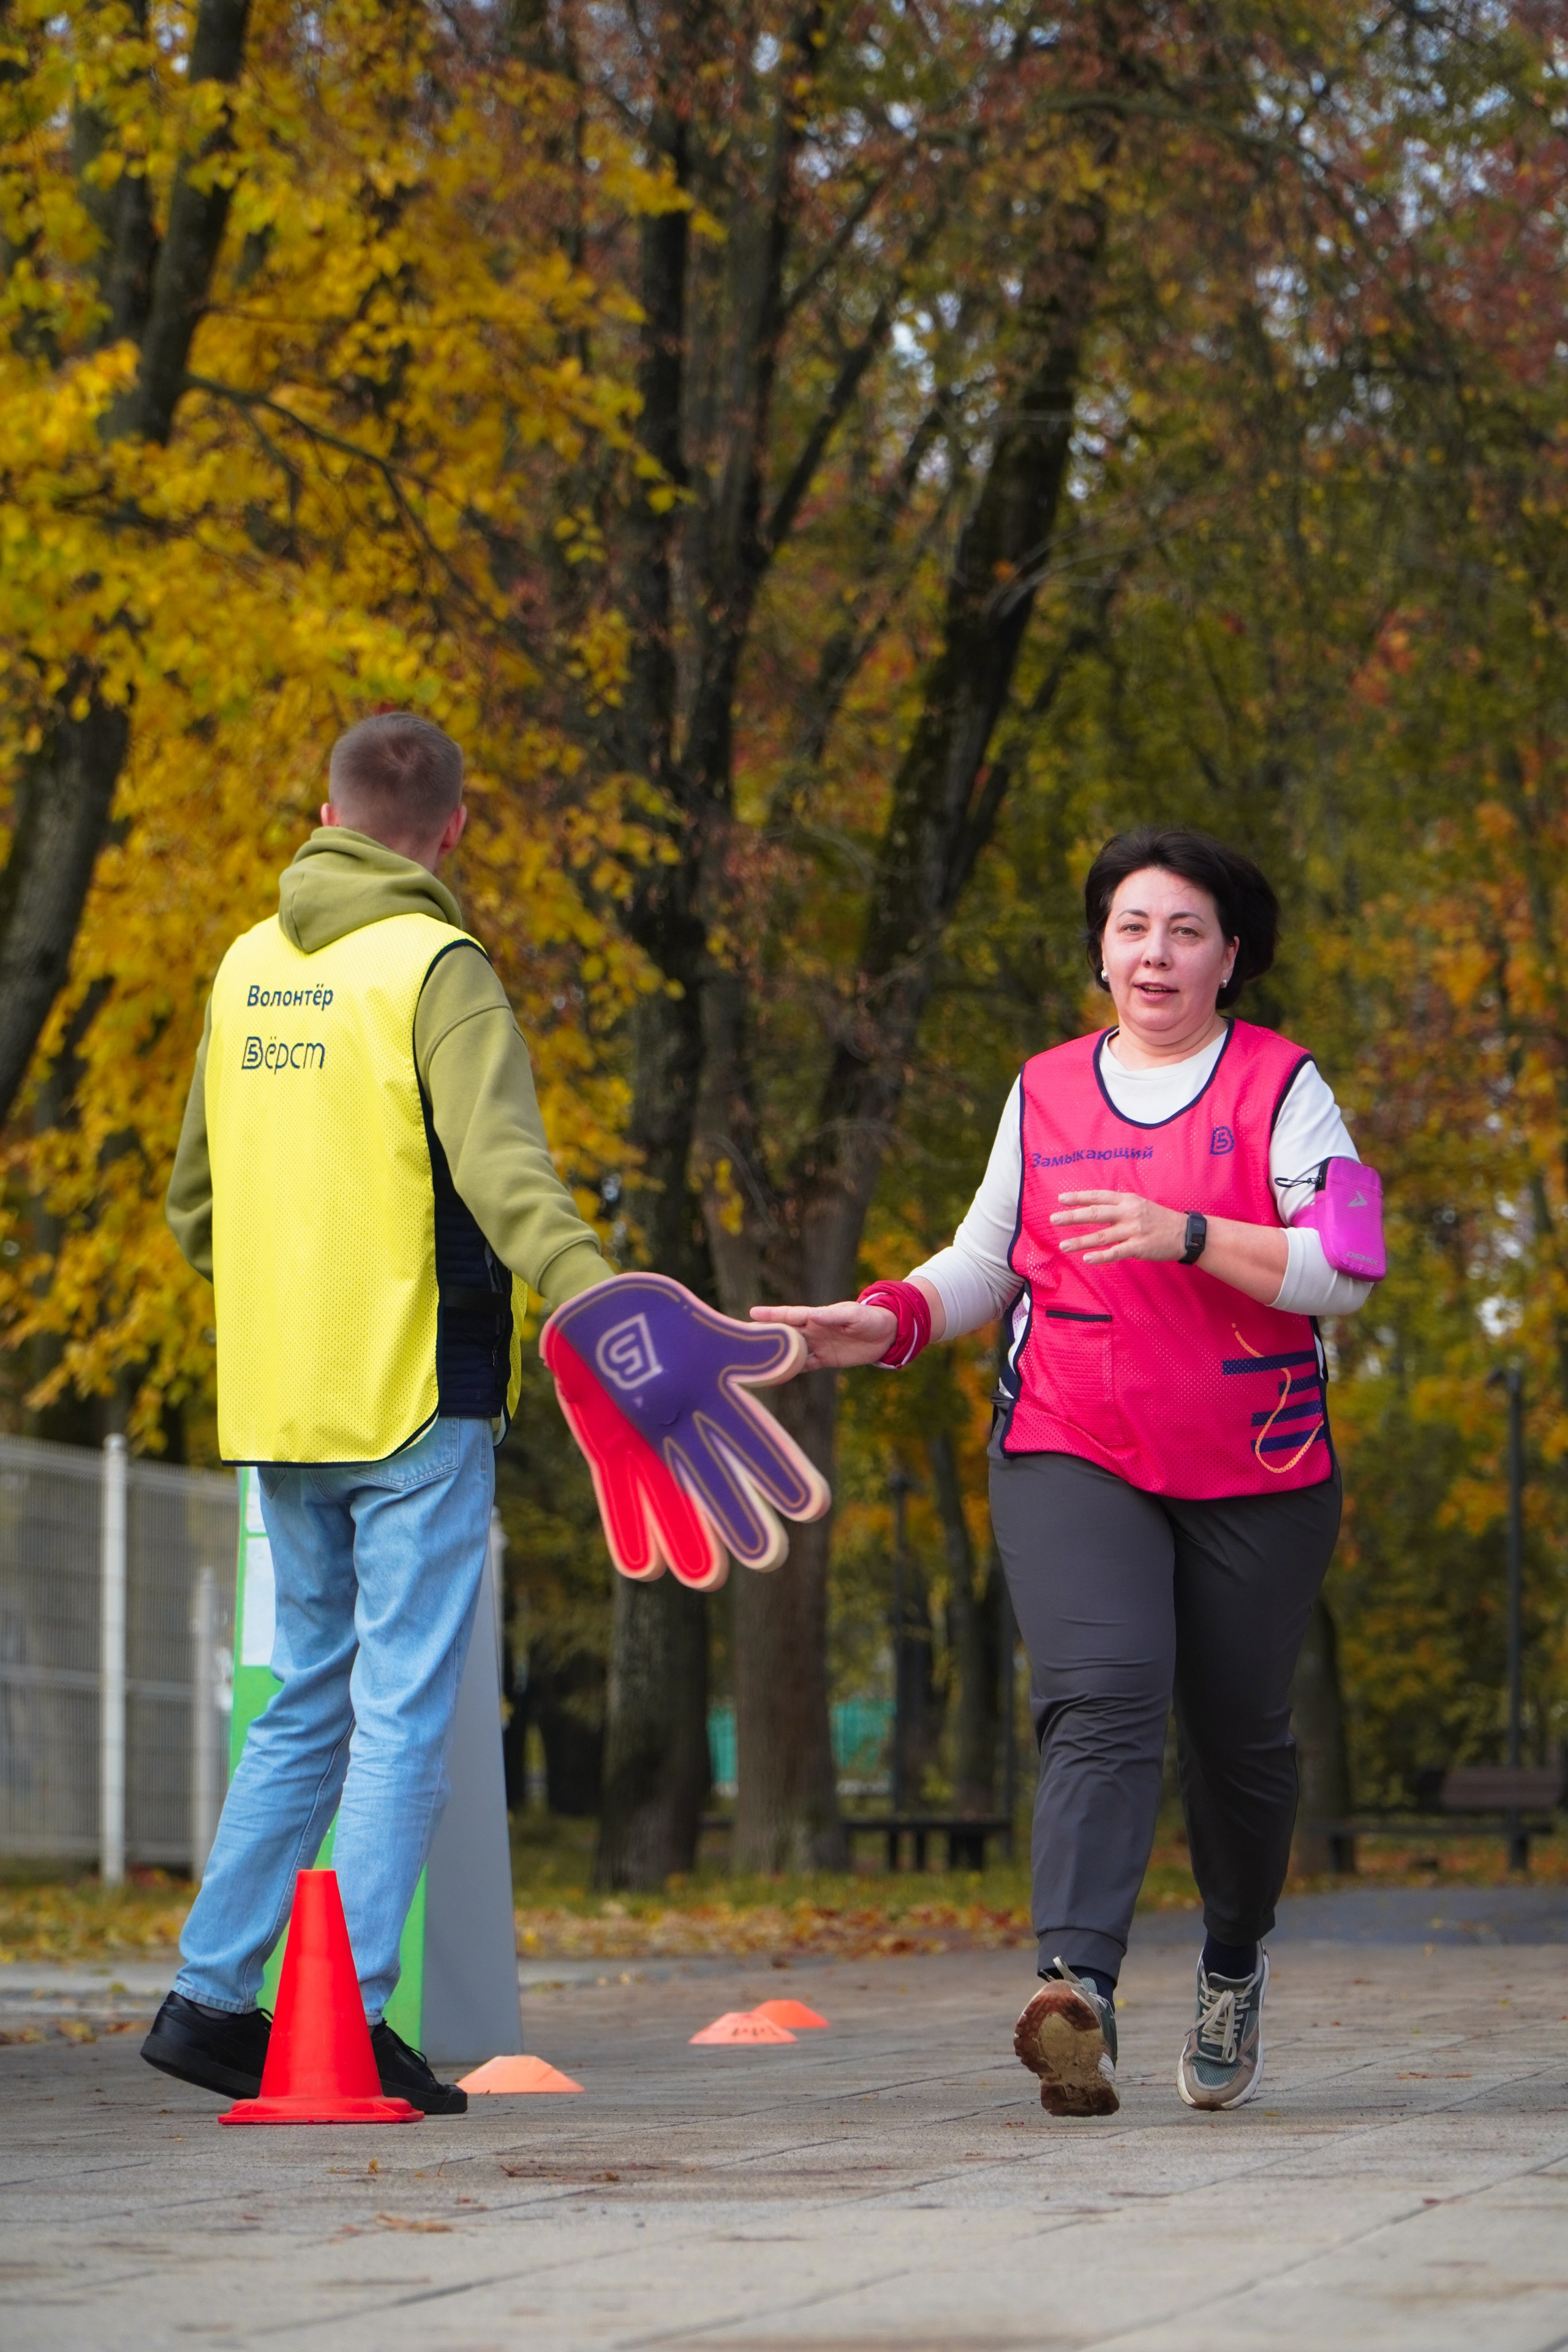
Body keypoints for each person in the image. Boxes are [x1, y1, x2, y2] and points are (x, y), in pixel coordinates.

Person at [753, 826, 1379, 2116]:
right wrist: (883, 1321)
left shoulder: (1286, 1087)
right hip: (1071, 1441)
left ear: (1229, 958)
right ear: (1099, 948)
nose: (1153, 953)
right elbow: (987, 1258)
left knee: (1237, 1745)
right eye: (1130, 926)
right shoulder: (1042, 1089)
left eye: (1183, 930)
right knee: (1097, 1695)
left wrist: (1189, 1231)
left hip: (1254, 1461)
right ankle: (1075, 1989)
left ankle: (1227, 1961)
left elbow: (1347, 1270)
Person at [142, 711, 612, 2115]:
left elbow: (191, 1208)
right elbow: (504, 1175)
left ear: (329, 811)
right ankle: (339, 2022)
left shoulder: (245, 964)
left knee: (308, 1699)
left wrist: (296, 1294)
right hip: (418, 1385)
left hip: (283, 1399)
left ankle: (212, 1996)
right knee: (403, 1711)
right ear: (451, 830)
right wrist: (600, 1301)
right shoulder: (435, 966)